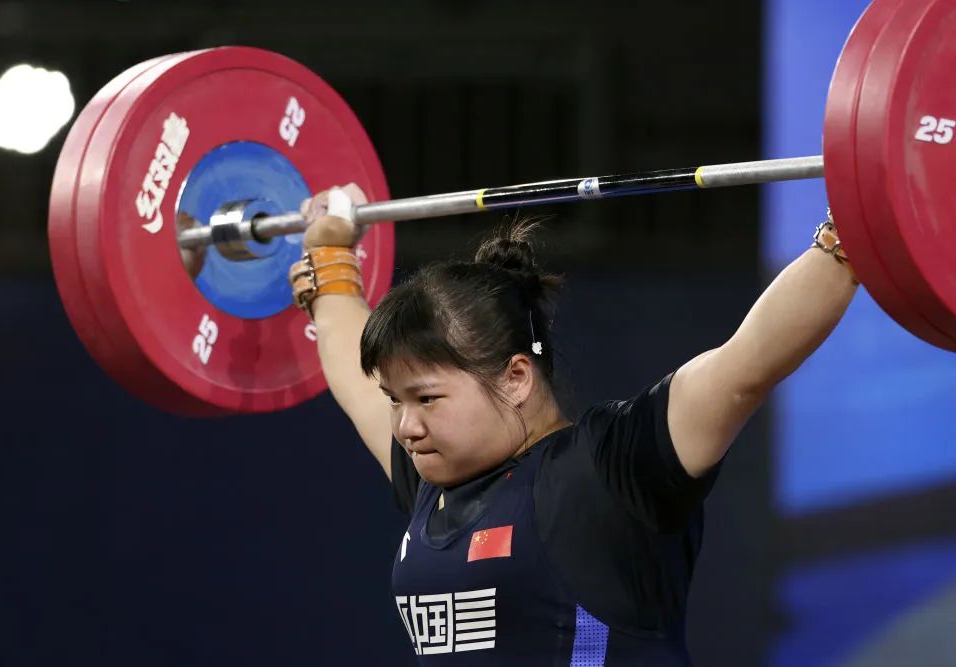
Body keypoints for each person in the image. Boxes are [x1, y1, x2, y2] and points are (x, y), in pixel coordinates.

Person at [288, 185, 857, 665]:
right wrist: (331, 255)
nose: (406, 425)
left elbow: (748, 363)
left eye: (427, 398)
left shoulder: (608, 470)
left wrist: (854, 232)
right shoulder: (432, 483)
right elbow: (349, 364)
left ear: (515, 377)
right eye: (395, 400)